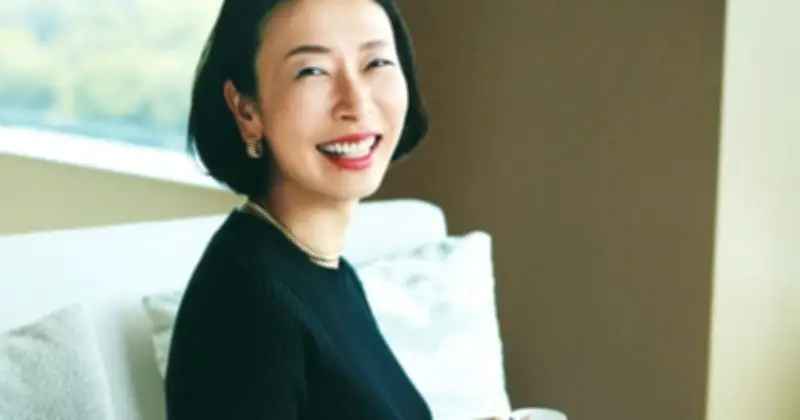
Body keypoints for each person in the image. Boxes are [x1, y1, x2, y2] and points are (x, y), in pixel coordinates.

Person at [164, 0, 431, 419]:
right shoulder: (247, 306)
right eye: (312, 71)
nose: (356, 103)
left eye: (376, 62)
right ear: (246, 110)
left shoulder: (328, 271)